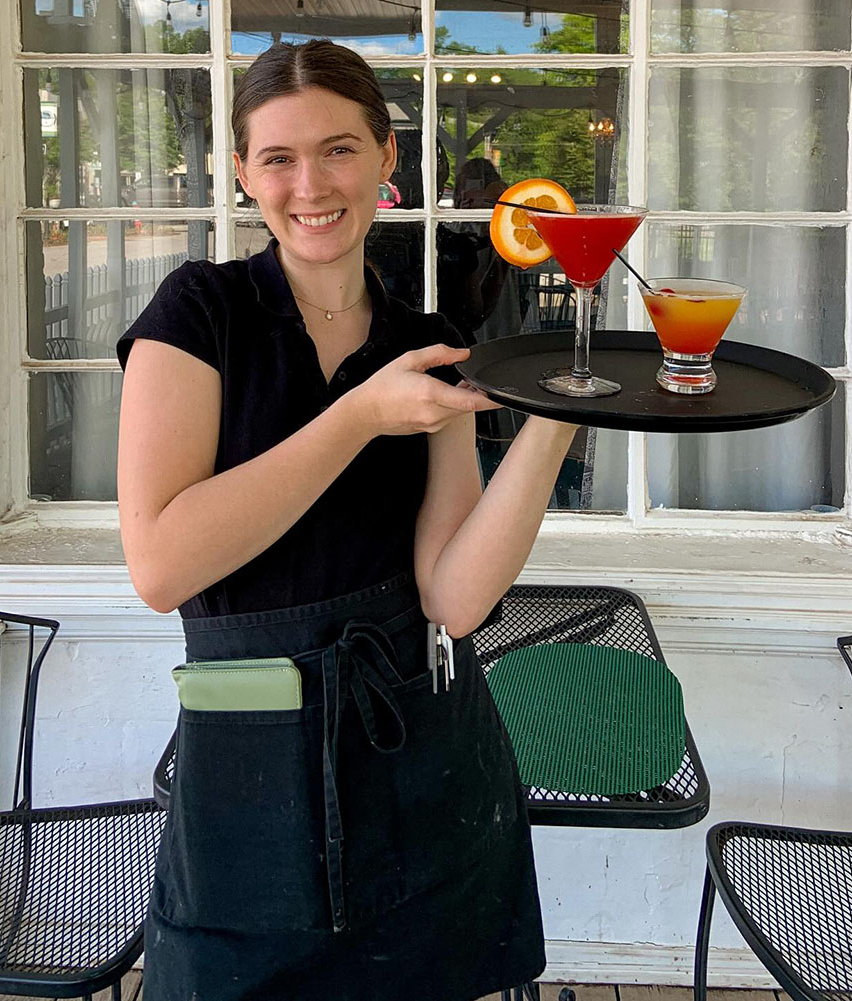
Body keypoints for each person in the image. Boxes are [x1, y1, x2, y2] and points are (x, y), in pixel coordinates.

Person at [116, 39, 579, 1001]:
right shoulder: (199, 313)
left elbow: (452, 598)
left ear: (385, 160)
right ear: (242, 173)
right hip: (249, 763)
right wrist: (360, 415)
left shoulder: (422, 343)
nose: (310, 184)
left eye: (339, 149)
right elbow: (161, 567)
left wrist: (560, 420)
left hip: (421, 751)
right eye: (278, 157)